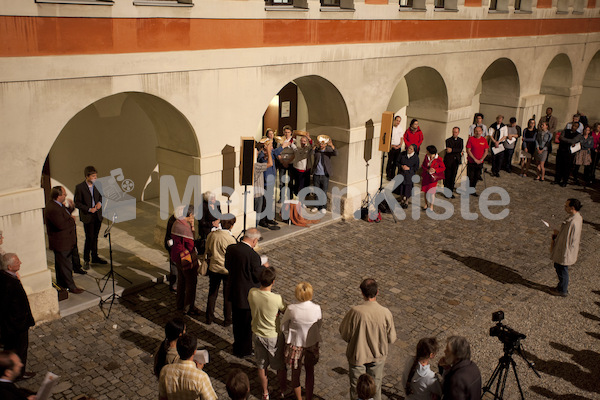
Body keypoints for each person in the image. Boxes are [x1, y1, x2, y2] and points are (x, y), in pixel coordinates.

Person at [339, 278, 396, 400]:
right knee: (375, 389)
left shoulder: (355, 312)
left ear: (362, 293)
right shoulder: (385, 313)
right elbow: (391, 338)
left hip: (358, 356)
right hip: (377, 357)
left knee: (356, 390)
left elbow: (345, 334)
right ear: (377, 292)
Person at [225, 228, 267, 358]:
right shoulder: (252, 255)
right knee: (246, 325)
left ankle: (237, 346)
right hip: (247, 295)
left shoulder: (231, 248)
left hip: (234, 290)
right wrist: (264, 267)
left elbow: (227, 265)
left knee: (237, 323)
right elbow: (257, 276)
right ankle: (245, 349)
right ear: (254, 240)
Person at [248, 268, 288, 400]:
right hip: (273, 336)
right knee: (280, 366)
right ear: (273, 282)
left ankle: (265, 392)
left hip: (257, 334)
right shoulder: (276, 298)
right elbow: (286, 310)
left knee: (261, 365)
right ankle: (283, 390)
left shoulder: (252, 293)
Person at [281, 282, 322, 400]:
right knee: (310, 372)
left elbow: (283, 326)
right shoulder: (316, 308)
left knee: (295, 373)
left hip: (295, 345)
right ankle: (309, 397)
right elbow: (318, 325)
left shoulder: (291, 309)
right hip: (311, 344)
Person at [0, 254, 35, 381]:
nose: (20, 262)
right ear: (9, 266)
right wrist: (20, 321)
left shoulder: (5, 277)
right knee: (20, 349)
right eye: (17, 261)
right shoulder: (10, 283)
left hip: (11, 325)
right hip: (16, 325)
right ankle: (18, 374)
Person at [44, 186, 85, 294]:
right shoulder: (53, 208)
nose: (65, 196)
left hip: (65, 240)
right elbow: (61, 224)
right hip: (61, 242)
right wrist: (72, 220)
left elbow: (64, 214)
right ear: (58, 196)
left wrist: (71, 208)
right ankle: (71, 286)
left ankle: (62, 284)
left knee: (61, 265)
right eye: (64, 194)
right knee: (65, 265)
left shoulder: (58, 205)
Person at [158, 333, 217, 400]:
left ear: (177, 349)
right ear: (195, 352)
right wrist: (199, 371)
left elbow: (162, 397)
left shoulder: (165, 370)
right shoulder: (201, 377)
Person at [205, 217, 237, 326]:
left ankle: (209, 317)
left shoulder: (212, 235)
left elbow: (207, 250)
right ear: (231, 226)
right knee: (227, 296)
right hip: (226, 270)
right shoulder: (230, 239)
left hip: (214, 267)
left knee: (212, 293)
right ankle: (227, 319)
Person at [170, 205, 201, 316]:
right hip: (185, 259)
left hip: (176, 257)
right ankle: (188, 307)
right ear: (190, 214)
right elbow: (191, 244)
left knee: (181, 282)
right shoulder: (184, 228)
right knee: (191, 284)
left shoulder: (176, 223)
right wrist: (192, 228)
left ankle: (179, 304)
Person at [74, 166, 107, 267]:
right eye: (93, 176)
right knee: (89, 238)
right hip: (87, 216)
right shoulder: (80, 187)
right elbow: (77, 203)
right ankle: (86, 259)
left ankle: (95, 257)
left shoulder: (98, 185)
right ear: (87, 176)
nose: (95, 178)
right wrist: (89, 209)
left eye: (96, 176)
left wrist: (99, 203)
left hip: (97, 215)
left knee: (95, 237)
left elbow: (102, 196)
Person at [550, 198, 583, 297]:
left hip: (565, 250)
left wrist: (558, 236)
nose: (565, 208)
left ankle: (563, 290)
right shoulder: (575, 218)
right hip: (564, 248)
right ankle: (561, 287)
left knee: (562, 269)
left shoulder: (573, 222)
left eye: (566, 206)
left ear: (572, 208)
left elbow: (570, 240)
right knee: (559, 267)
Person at [254, 140, 279, 230]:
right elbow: (268, 163)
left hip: (271, 180)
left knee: (269, 201)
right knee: (264, 203)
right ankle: (262, 220)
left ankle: (268, 218)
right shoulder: (261, 155)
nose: (271, 147)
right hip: (264, 182)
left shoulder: (270, 153)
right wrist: (267, 151)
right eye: (270, 145)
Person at [311, 137, 337, 212]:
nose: (321, 145)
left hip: (325, 174)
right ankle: (316, 206)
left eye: (323, 144)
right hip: (316, 174)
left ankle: (323, 207)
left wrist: (331, 145)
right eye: (320, 143)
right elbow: (311, 153)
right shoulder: (316, 150)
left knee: (324, 191)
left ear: (325, 144)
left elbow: (336, 153)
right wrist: (315, 146)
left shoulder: (328, 151)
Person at [553, 122, 582, 187]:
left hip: (569, 153)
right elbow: (560, 138)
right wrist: (568, 140)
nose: (573, 127)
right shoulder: (565, 131)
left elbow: (573, 141)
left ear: (577, 127)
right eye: (573, 125)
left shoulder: (578, 135)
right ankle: (557, 180)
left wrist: (565, 140)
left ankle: (564, 181)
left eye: (575, 126)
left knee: (567, 167)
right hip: (561, 151)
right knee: (558, 166)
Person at [465, 126, 489, 197]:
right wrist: (474, 159)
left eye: (479, 131)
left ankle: (473, 189)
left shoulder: (484, 140)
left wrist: (481, 159)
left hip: (480, 162)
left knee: (477, 176)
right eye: (476, 131)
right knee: (470, 177)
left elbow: (486, 151)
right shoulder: (471, 139)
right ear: (474, 132)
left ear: (481, 132)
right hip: (472, 162)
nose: (478, 132)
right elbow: (468, 150)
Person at [394, 144, 420, 209]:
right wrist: (401, 166)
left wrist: (409, 168)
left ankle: (406, 201)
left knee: (407, 189)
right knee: (401, 187)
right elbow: (397, 162)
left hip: (409, 175)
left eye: (411, 149)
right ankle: (402, 200)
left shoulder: (416, 157)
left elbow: (416, 167)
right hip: (401, 174)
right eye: (409, 148)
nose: (409, 150)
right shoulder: (402, 154)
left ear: (414, 150)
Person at [421, 145, 445, 211]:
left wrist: (435, 170)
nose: (426, 152)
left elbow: (443, 167)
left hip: (433, 178)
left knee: (432, 192)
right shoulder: (426, 157)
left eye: (427, 150)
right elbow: (423, 165)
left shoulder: (439, 159)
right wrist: (427, 170)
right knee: (425, 191)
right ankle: (426, 204)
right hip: (426, 176)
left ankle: (431, 206)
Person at [291, 133, 314, 197]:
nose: (302, 142)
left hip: (306, 169)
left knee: (306, 184)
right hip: (298, 169)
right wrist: (293, 137)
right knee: (297, 184)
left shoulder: (308, 149)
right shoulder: (297, 148)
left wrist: (309, 138)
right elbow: (291, 143)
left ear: (306, 142)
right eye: (301, 141)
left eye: (304, 141)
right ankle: (297, 196)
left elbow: (313, 146)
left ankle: (305, 198)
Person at [443, 127, 463, 198]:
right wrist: (454, 150)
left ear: (458, 132)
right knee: (447, 176)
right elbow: (448, 150)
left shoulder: (460, 140)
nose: (454, 133)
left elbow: (460, 149)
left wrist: (453, 150)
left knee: (453, 176)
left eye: (456, 132)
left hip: (456, 161)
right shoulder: (448, 140)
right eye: (453, 132)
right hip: (449, 161)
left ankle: (450, 191)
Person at [386, 115, 404, 180]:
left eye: (399, 121)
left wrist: (400, 145)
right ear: (394, 120)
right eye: (397, 120)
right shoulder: (390, 128)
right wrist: (391, 145)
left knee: (395, 162)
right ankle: (388, 175)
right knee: (390, 161)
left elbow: (401, 138)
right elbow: (388, 138)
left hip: (398, 147)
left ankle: (393, 175)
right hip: (391, 147)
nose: (398, 122)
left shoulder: (400, 128)